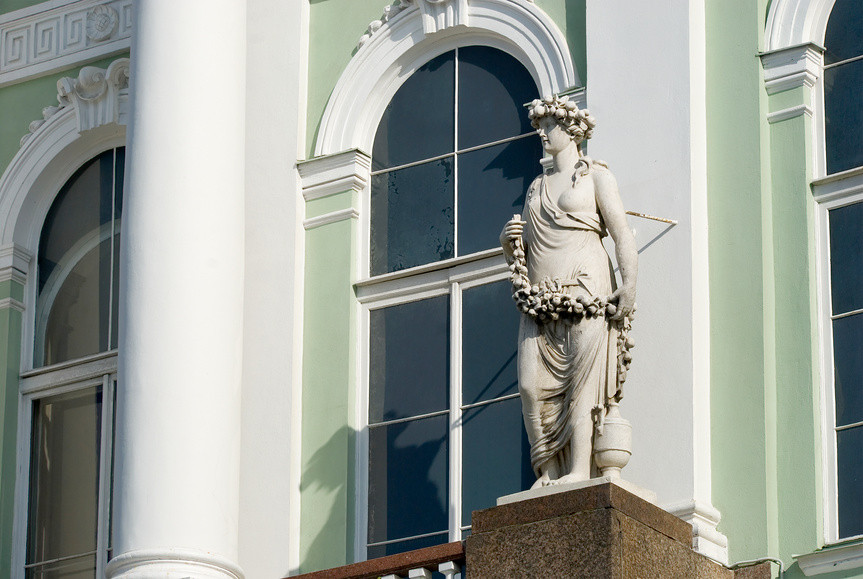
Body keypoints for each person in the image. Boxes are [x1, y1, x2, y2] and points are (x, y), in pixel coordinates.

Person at [500, 94, 637, 488]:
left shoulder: (597, 177)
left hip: (586, 289)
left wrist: (629, 285)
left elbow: (621, 233)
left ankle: (578, 468)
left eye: (549, 126)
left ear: (572, 130)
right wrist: (508, 244)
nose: (543, 134)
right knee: (530, 385)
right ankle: (548, 470)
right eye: (540, 128)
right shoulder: (535, 187)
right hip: (539, 297)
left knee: (583, 382)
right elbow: (526, 248)